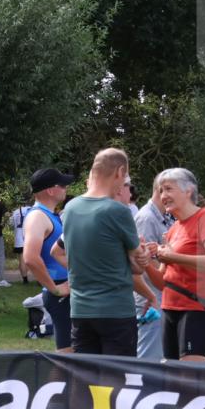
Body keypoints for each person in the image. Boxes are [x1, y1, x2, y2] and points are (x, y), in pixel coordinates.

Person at [61, 148, 149, 356]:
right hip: (115, 310)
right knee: (117, 381)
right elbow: (138, 265)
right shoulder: (117, 210)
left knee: (85, 379)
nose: (123, 186)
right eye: (125, 179)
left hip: (80, 310)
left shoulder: (71, 208)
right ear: (119, 172)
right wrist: (142, 257)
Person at [146, 168, 205, 362]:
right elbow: (163, 283)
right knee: (173, 375)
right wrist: (146, 262)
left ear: (188, 191)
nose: (163, 196)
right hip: (169, 309)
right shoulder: (174, 228)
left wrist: (174, 257)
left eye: (168, 189)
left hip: (196, 309)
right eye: (160, 191)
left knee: (190, 375)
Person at [22, 168, 74, 353]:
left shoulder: (50, 215)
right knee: (68, 356)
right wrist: (54, 289)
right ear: (50, 190)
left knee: (74, 354)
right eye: (62, 185)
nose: (66, 187)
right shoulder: (37, 217)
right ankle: (55, 383)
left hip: (66, 288)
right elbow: (30, 257)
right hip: (60, 291)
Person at [132, 177, 175, 360]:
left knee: (159, 353)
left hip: (159, 293)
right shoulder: (146, 217)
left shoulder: (163, 216)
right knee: (148, 355)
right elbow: (142, 261)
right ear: (161, 190)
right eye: (172, 190)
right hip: (150, 296)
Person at [11, 200, 34, 284]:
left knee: (21, 259)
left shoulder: (15, 212)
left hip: (19, 239)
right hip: (30, 238)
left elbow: (12, 224)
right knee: (35, 258)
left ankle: (25, 279)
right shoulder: (32, 210)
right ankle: (40, 279)